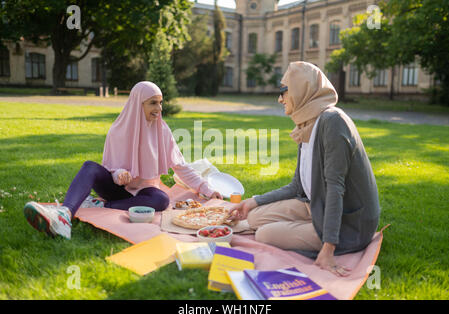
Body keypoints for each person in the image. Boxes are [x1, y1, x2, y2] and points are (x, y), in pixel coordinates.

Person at [230, 62, 380, 277]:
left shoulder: (332, 122)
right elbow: (297, 186)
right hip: (316, 206)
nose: (280, 99)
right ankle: (305, 224)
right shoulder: (306, 123)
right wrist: (252, 202)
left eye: (284, 91)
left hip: (348, 225)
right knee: (252, 218)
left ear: (302, 89)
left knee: (263, 234)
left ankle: (324, 237)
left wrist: (328, 249)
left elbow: (335, 190)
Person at [24, 81, 222, 240]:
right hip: (116, 189)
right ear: (139, 103)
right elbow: (110, 167)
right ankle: (64, 216)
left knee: (162, 199)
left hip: (142, 194)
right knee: (89, 167)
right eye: (153, 102)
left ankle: (97, 206)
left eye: (160, 102)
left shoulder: (163, 131)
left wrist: (206, 189)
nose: (159, 108)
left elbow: (181, 166)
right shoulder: (118, 129)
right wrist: (118, 174)